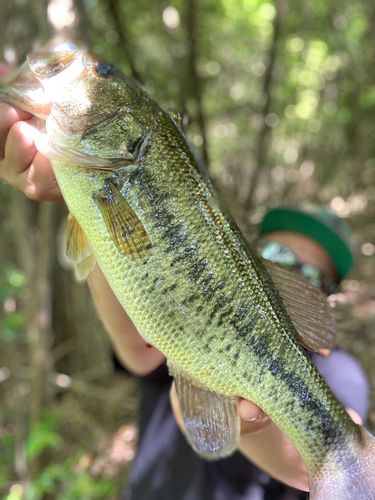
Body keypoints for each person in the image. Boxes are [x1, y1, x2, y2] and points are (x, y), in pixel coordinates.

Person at [0, 92, 370, 500]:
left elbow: (335, 443)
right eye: (279, 256)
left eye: (314, 277)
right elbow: (140, 352)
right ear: (251, 252)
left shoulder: (340, 375)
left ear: (324, 298)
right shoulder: (174, 322)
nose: (295, 269)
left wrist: (307, 444)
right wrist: (85, 197)